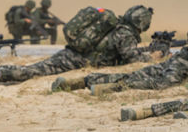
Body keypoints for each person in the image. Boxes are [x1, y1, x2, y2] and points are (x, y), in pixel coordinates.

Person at [0, 5, 154, 86]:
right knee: (35, 71)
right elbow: (131, 57)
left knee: (37, 68)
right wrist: (153, 57)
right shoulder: (126, 34)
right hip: (78, 60)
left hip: (72, 53)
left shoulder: (117, 28)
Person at [51, 46, 188, 95]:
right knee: (163, 83)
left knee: (137, 75)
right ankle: (113, 88)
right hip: (184, 60)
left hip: (180, 57)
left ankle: (79, 82)